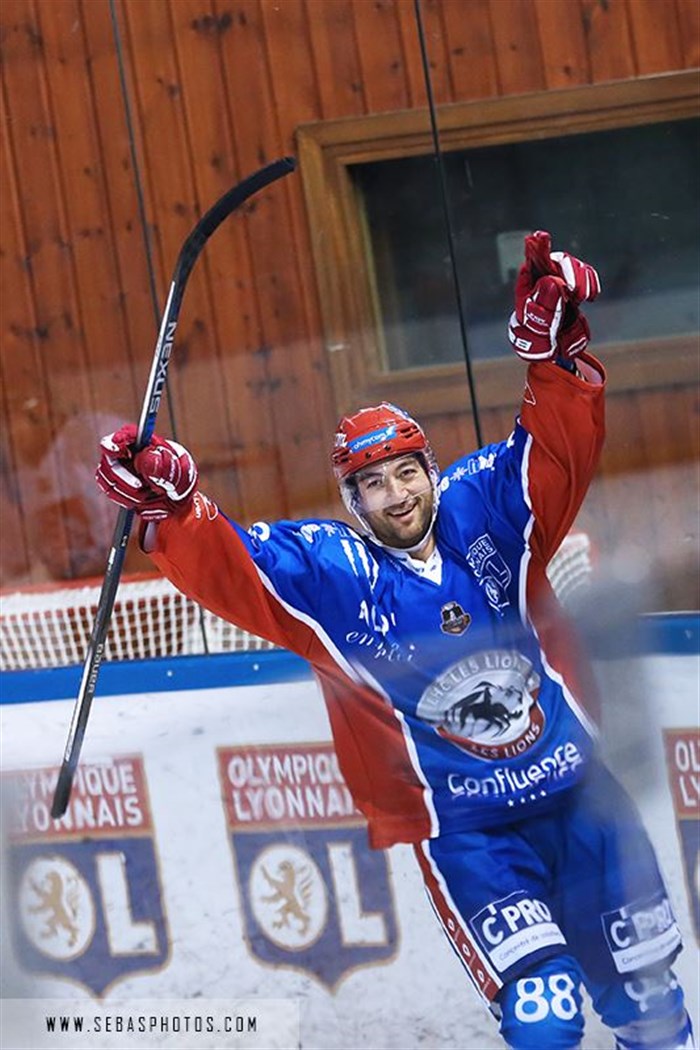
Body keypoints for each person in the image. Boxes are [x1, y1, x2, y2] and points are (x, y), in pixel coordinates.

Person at [95, 232, 693, 1050]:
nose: (397, 493)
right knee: (544, 1019)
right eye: (371, 483)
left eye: (407, 470)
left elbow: (557, 452)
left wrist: (554, 359)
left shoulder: (488, 509)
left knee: (650, 1008)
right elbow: (233, 564)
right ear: (353, 501)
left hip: (583, 799)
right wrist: (176, 507)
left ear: (429, 469)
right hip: (471, 835)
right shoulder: (332, 576)